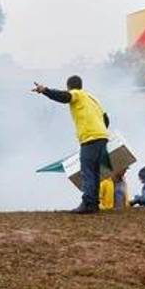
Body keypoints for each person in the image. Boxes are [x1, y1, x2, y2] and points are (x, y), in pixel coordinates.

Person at [33, 75, 109, 214]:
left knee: (87, 171)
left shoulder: (77, 94)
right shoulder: (93, 99)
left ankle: (88, 204)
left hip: (90, 137)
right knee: (95, 171)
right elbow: (106, 119)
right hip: (102, 137)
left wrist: (45, 90)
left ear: (69, 86)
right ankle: (94, 204)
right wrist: (101, 132)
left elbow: (64, 97)